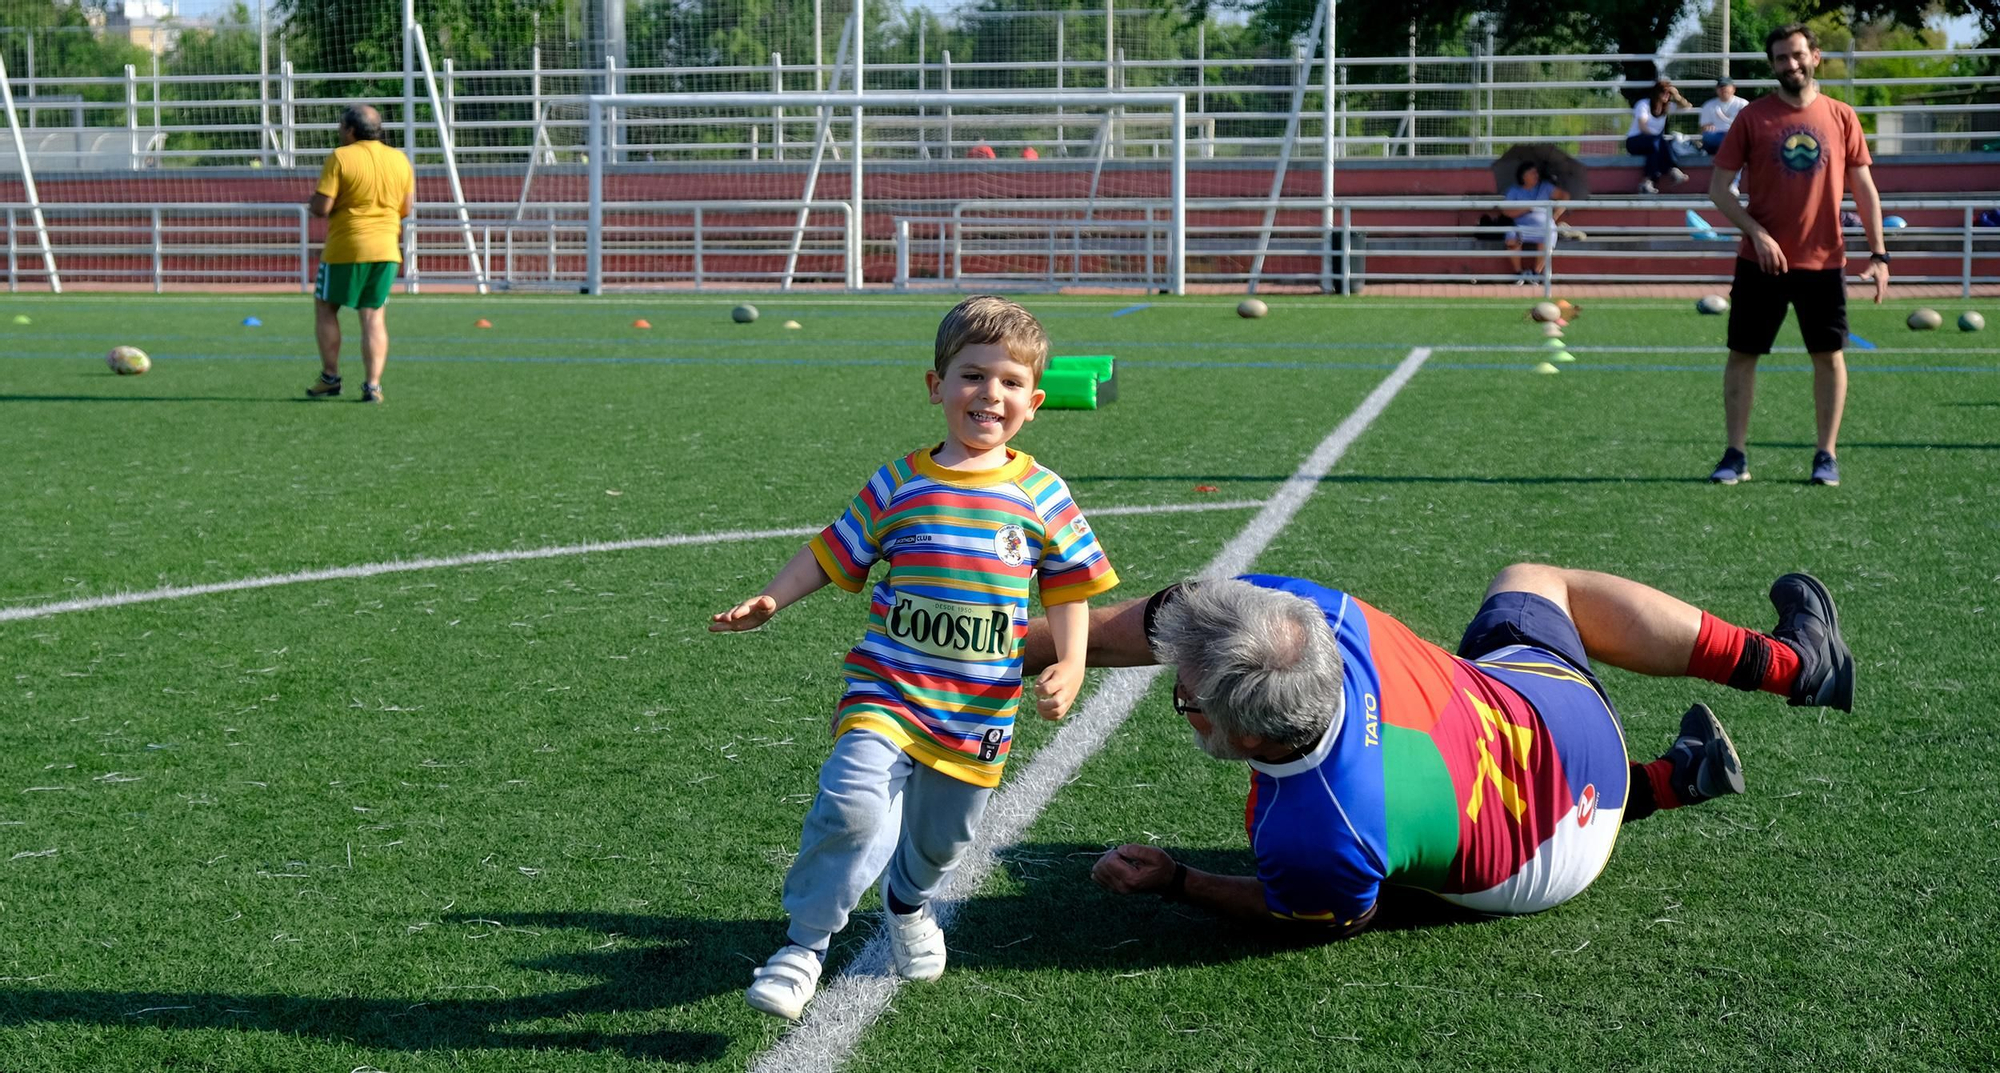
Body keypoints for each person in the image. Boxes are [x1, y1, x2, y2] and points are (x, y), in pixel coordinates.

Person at [1023, 564, 1853, 932]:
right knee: (1534, 583)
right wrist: (1023, 646)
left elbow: (1316, 918)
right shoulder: (1311, 616)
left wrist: (1177, 878)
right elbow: (1179, 610)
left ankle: (1680, 770)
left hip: (1551, 863)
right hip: (1567, 726)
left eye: (1186, 696)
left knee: (1405, 858)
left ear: (1242, 735)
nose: (1180, 690)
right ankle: (1768, 685)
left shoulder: (1315, 828)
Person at [710, 295, 1118, 1019]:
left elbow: (1071, 586)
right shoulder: (899, 482)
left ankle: (908, 901)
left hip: (978, 707)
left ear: (1036, 400)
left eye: (1010, 381)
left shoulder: (1042, 493)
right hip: (887, 689)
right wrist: (773, 597)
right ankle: (803, 947)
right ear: (936, 386)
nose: (989, 393)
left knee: (941, 839)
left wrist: (1075, 663)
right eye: (971, 375)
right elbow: (832, 551)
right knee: (852, 806)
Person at [1706, 23, 1888, 488]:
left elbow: (1864, 188)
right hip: (1759, 262)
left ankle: (1825, 455)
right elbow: (1718, 189)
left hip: (1824, 260)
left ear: (1815, 56)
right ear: (1772, 65)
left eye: (1797, 55)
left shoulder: (1842, 115)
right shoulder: (1752, 118)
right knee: (1743, 355)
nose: (1790, 64)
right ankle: (1735, 455)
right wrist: (1757, 233)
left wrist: (1880, 253)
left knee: (1828, 357)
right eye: (1781, 58)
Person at [305, 104, 414, 405]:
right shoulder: (399, 159)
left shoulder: (341, 156)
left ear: (351, 130)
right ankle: (373, 386)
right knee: (374, 316)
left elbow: (322, 207)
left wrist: (312, 202)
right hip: (387, 249)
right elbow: (406, 209)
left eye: (341, 127)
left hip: (346, 247)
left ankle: (330, 377)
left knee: (326, 308)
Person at [1500, 161, 1574, 283]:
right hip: (1522, 226)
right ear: (1524, 176)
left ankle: (1536, 273)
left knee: (1549, 233)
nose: (1536, 175)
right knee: (1511, 236)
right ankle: (1518, 273)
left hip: (1544, 226)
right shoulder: (1514, 191)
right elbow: (1506, 211)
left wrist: (1555, 215)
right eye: (1532, 173)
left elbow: (1565, 196)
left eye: (1536, 173)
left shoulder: (1545, 187)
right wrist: (1526, 208)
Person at [1626, 78, 1693, 194]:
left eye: (1669, 93)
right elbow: (1642, 127)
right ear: (1656, 92)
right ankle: (1672, 169)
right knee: (1658, 142)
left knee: (1654, 150)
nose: (1667, 95)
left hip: (1654, 144)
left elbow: (1687, 106)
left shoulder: (1667, 106)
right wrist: (1657, 138)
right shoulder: (1643, 104)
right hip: (1635, 141)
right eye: (1664, 92)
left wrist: (1676, 96)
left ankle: (1647, 182)